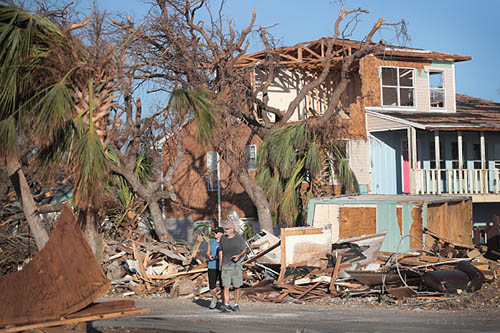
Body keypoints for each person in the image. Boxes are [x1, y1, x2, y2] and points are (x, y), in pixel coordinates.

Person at [219, 220, 247, 312]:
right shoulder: (222, 238)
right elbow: (221, 251)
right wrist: (220, 264)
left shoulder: (238, 238)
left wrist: (239, 255)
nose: (225, 230)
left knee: (237, 286)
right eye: (224, 229)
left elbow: (244, 249)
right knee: (226, 286)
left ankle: (236, 304)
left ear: (232, 229)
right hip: (225, 266)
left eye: (227, 229)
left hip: (236, 266)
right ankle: (226, 304)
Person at [206, 227, 224, 309]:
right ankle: (214, 298)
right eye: (214, 232)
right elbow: (208, 251)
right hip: (212, 265)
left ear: (221, 233)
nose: (214, 234)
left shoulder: (225, 241)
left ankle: (224, 302)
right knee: (211, 286)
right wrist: (209, 256)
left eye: (216, 233)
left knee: (223, 285)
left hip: (222, 266)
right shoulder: (211, 241)